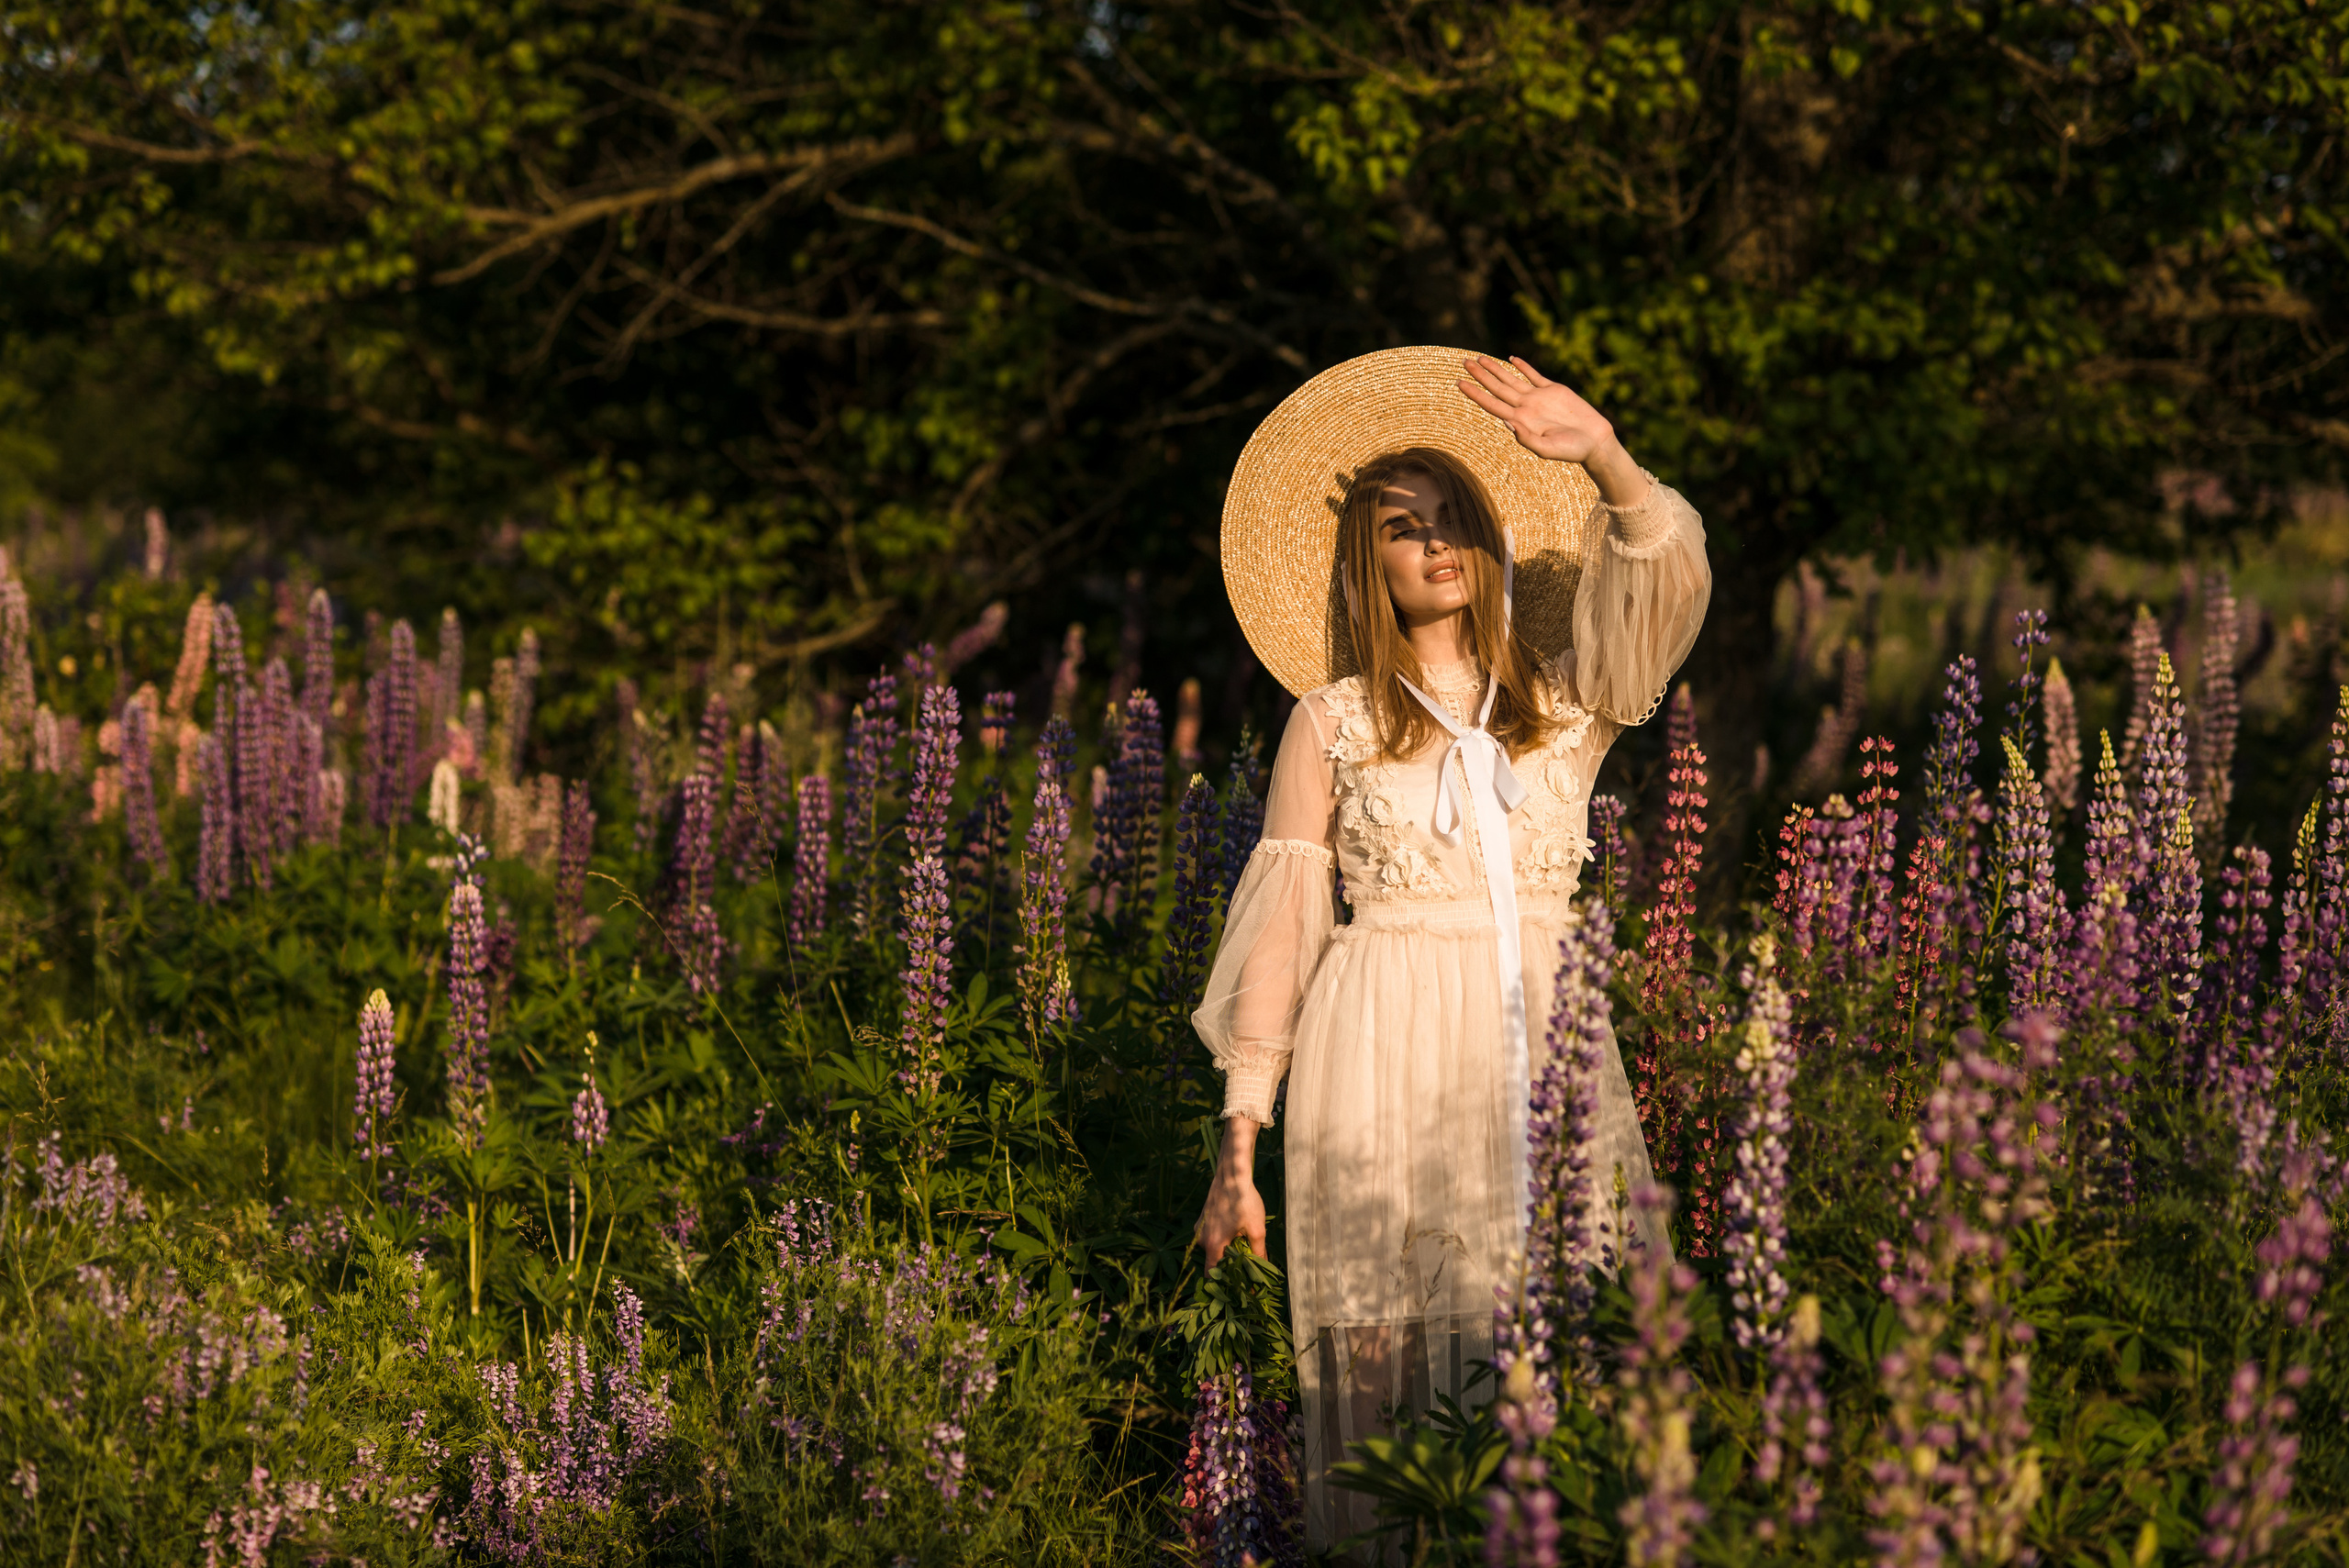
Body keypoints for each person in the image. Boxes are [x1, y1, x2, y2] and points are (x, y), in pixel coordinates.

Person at [1193, 347, 1712, 1554]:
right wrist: (1237, 1142)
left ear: (1488, 547)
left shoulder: (1568, 703)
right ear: (1365, 565)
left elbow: (1664, 595)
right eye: (1401, 528)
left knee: (1577, 1323)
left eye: (1454, 522)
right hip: (1374, 1051)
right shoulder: (1333, 720)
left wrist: (1605, 456)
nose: (1434, 544)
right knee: (1389, 1342)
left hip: (1542, 1055)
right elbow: (1282, 927)